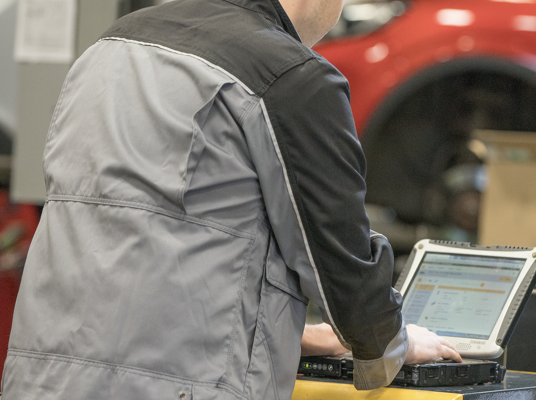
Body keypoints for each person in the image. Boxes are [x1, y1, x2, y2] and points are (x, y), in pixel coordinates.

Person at [0, 0, 461, 399]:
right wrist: (391, 342)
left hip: (38, 380)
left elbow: (144, 257)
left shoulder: (111, 45)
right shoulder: (289, 75)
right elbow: (345, 268)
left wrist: (302, 336)